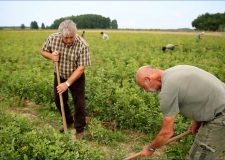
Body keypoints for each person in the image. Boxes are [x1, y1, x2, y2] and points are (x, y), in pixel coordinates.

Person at [135, 65, 225, 159]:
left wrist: (151, 148)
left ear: (148, 79)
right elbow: (200, 95)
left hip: (221, 116)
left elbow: (167, 133)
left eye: (143, 87)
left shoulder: (168, 90)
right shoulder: (177, 70)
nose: (146, 91)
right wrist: (197, 121)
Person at [41, 19, 91, 139]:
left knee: (79, 103)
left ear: (75, 34)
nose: (69, 40)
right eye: (66, 38)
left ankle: (79, 128)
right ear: (60, 34)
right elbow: (43, 51)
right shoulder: (53, 39)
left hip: (76, 77)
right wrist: (51, 56)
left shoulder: (82, 45)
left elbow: (81, 68)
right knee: (59, 100)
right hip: (60, 74)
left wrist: (67, 84)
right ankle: (68, 121)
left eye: (71, 37)